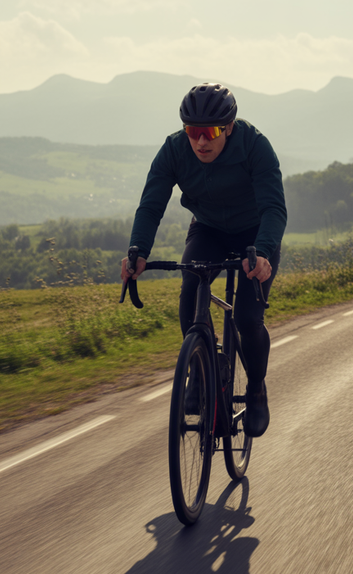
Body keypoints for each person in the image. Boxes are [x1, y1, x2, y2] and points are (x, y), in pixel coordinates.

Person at [119, 83, 287, 437]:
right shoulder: (174, 150)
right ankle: (199, 369)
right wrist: (138, 251)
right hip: (209, 229)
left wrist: (263, 253)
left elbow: (274, 209)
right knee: (191, 287)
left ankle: (256, 389)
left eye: (209, 133)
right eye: (192, 131)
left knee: (247, 317)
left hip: (255, 235)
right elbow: (150, 206)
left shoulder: (255, 146)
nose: (200, 142)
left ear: (229, 127)